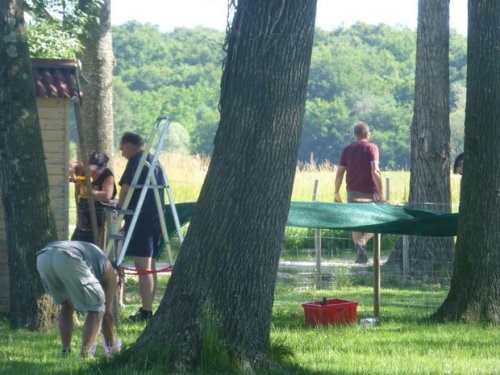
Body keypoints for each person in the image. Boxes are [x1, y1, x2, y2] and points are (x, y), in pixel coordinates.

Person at [36, 240, 121, 358]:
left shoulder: (94, 261)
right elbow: (107, 315)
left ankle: (65, 351)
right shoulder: (112, 273)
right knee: (97, 308)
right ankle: (85, 355)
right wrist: (111, 347)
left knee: (66, 305)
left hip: (44, 257)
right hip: (67, 257)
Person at [117, 132, 165, 322]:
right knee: (150, 267)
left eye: (122, 150)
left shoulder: (137, 161)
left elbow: (127, 187)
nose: (122, 154)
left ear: (129, 146)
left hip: (141, 221)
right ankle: (148, 308)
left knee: (142, 268)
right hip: (155, 220)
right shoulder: (155, 162)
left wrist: (120, 209)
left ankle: (146, 312)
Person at [334, 121, 384, 264]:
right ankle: (363, 241)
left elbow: (339, 174)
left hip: (352, 192)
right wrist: (381, 192)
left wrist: (336, 192)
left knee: (355, 222)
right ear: (367, 133)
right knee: (377, 220)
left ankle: (360, 253)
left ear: (355, 135)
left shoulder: (347, 150)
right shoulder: (372, 147)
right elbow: (375, 170)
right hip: (370, 192)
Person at [71, 151, 117, 245]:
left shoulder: (107, 175)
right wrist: (73, 174)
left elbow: (107, 195)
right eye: (93, 169)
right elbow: (72, 166)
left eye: (97, 170)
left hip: (99, 226)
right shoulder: (85, 170)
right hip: (84, 224)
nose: (95, 172)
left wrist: (91, 192)